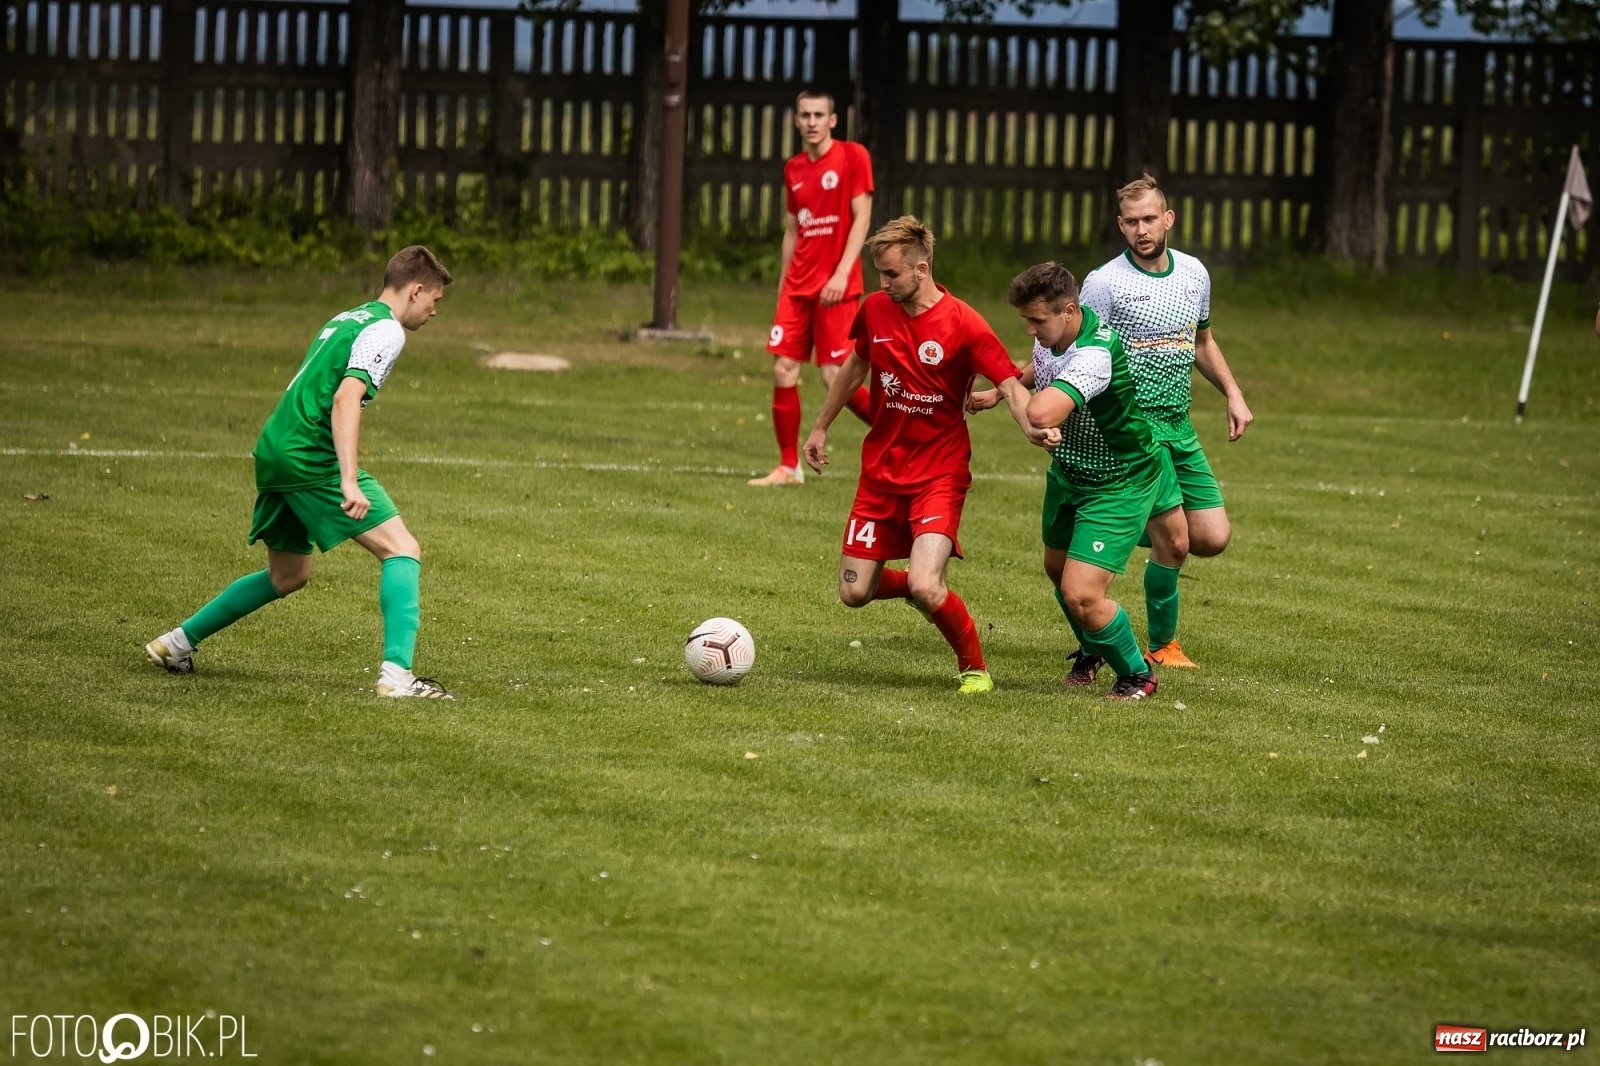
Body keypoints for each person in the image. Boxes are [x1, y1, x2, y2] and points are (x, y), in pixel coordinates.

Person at [145, 246, 456, 699]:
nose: (433, 311)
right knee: (401, 548)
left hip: (275, 446)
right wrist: (348, 479)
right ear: (416, 289)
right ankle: (397, 677)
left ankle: (175, 644)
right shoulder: (387, 330)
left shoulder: (349, 317)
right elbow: (346, 398)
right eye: (434, 301)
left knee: (288, 575)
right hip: (308, 452)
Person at [803, 217, 1047, 693]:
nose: (883, 284)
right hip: (880, 473)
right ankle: (919, 586)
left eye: (892, 274)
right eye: (879, 274)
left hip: (939, 473)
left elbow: (1010, 386)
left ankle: (974, 669)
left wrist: (1032, 426)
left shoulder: (964, 323)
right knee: (854, 592)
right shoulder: (875, 310)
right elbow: (856, 364)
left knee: (926, 585)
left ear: (921, 268)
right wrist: (819, 426)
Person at [1076, 173, 1254, 670]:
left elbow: (1202, 342)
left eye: (1150, 218)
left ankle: (1117, 524)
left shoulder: (1194, 273)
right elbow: (1074, 349)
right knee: (1175, 542)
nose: (1142, 229)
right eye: (1131, 222)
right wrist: (1014, 384)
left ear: (1168, 219)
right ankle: (1162, 645)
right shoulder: (1105, 283)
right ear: (1120, 226)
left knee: (1212, 538)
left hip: (1180, 427)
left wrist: (1234, 394)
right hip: (1134, 430)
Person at [989, 263, 1183, 699]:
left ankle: (1138, 675)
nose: (1030, 330)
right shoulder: (1056, 336)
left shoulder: (1094, 355)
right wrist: (1005, 385)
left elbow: (1039, 414)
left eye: (1037, 320)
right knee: (1056, 571)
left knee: (1082, 595)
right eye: (1026, 320)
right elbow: (1039, 365)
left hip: (1118, 481)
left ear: (1070, 310)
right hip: (1069, 473)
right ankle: (1092, 647)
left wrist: (1004, 389)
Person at [750, 88, 874, 487]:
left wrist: (841, 273)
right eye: (805, 115)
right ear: (796, 120)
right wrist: (783, 286)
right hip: (798, 287)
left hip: (836, 286)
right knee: (783, 370)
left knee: (833, 374)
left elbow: (861, 218)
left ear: (833, 120)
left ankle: (903, 432)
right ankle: (789, 467)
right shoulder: (794, 168)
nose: (812, 122)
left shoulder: (854, 156)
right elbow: (792, 230)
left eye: (819, 114)